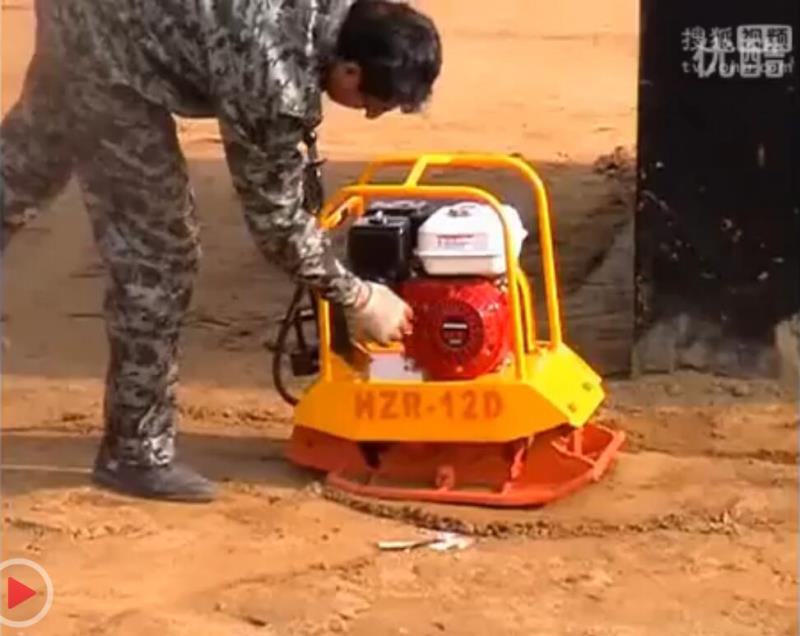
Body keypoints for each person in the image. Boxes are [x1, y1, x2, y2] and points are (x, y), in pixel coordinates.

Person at [0, 0, 442, 503]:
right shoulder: (273, 76)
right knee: (158, 256)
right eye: (374, 101)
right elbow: (276, 222)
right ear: (349, 70)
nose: (372, 113)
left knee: (23, 167)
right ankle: (136, 452)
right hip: (108, 51)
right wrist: (359, 297)